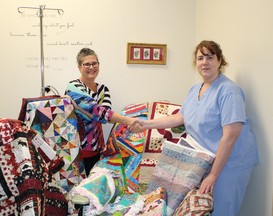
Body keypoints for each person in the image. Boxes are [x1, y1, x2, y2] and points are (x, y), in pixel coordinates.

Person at [129, 40, 259, 216]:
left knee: (221, 210)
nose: (204, 62)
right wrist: (146, 124)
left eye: (210, 57)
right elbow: (180, 117)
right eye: (200, 58)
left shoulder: (229, 91)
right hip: (204, 161)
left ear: (220, 61)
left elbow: (230, 136)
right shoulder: (195, 89)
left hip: (230, 164)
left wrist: (213, 175)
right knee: (202, 210)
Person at [65, 48, 136, 176]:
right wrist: (128, 120)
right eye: (86, 64)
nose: (91, 67)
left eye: (94, 63)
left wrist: (81, 108)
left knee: (94, 185)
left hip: (97, 146)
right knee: (78, 187)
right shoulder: (73, 86)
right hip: (76, 146)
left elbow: (104, 117)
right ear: (79, 67)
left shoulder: (103, 89)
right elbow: (98, 112)